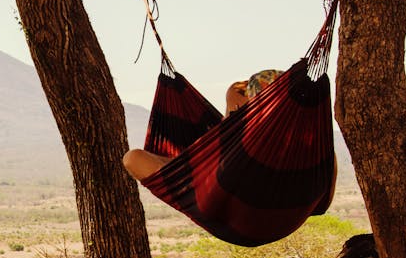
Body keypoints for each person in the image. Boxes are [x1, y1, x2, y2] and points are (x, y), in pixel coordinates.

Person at [122, 69, 284, 181]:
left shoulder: (266, 142)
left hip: (216, 176)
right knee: (134, 158)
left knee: (134, 159)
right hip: (208, 163)